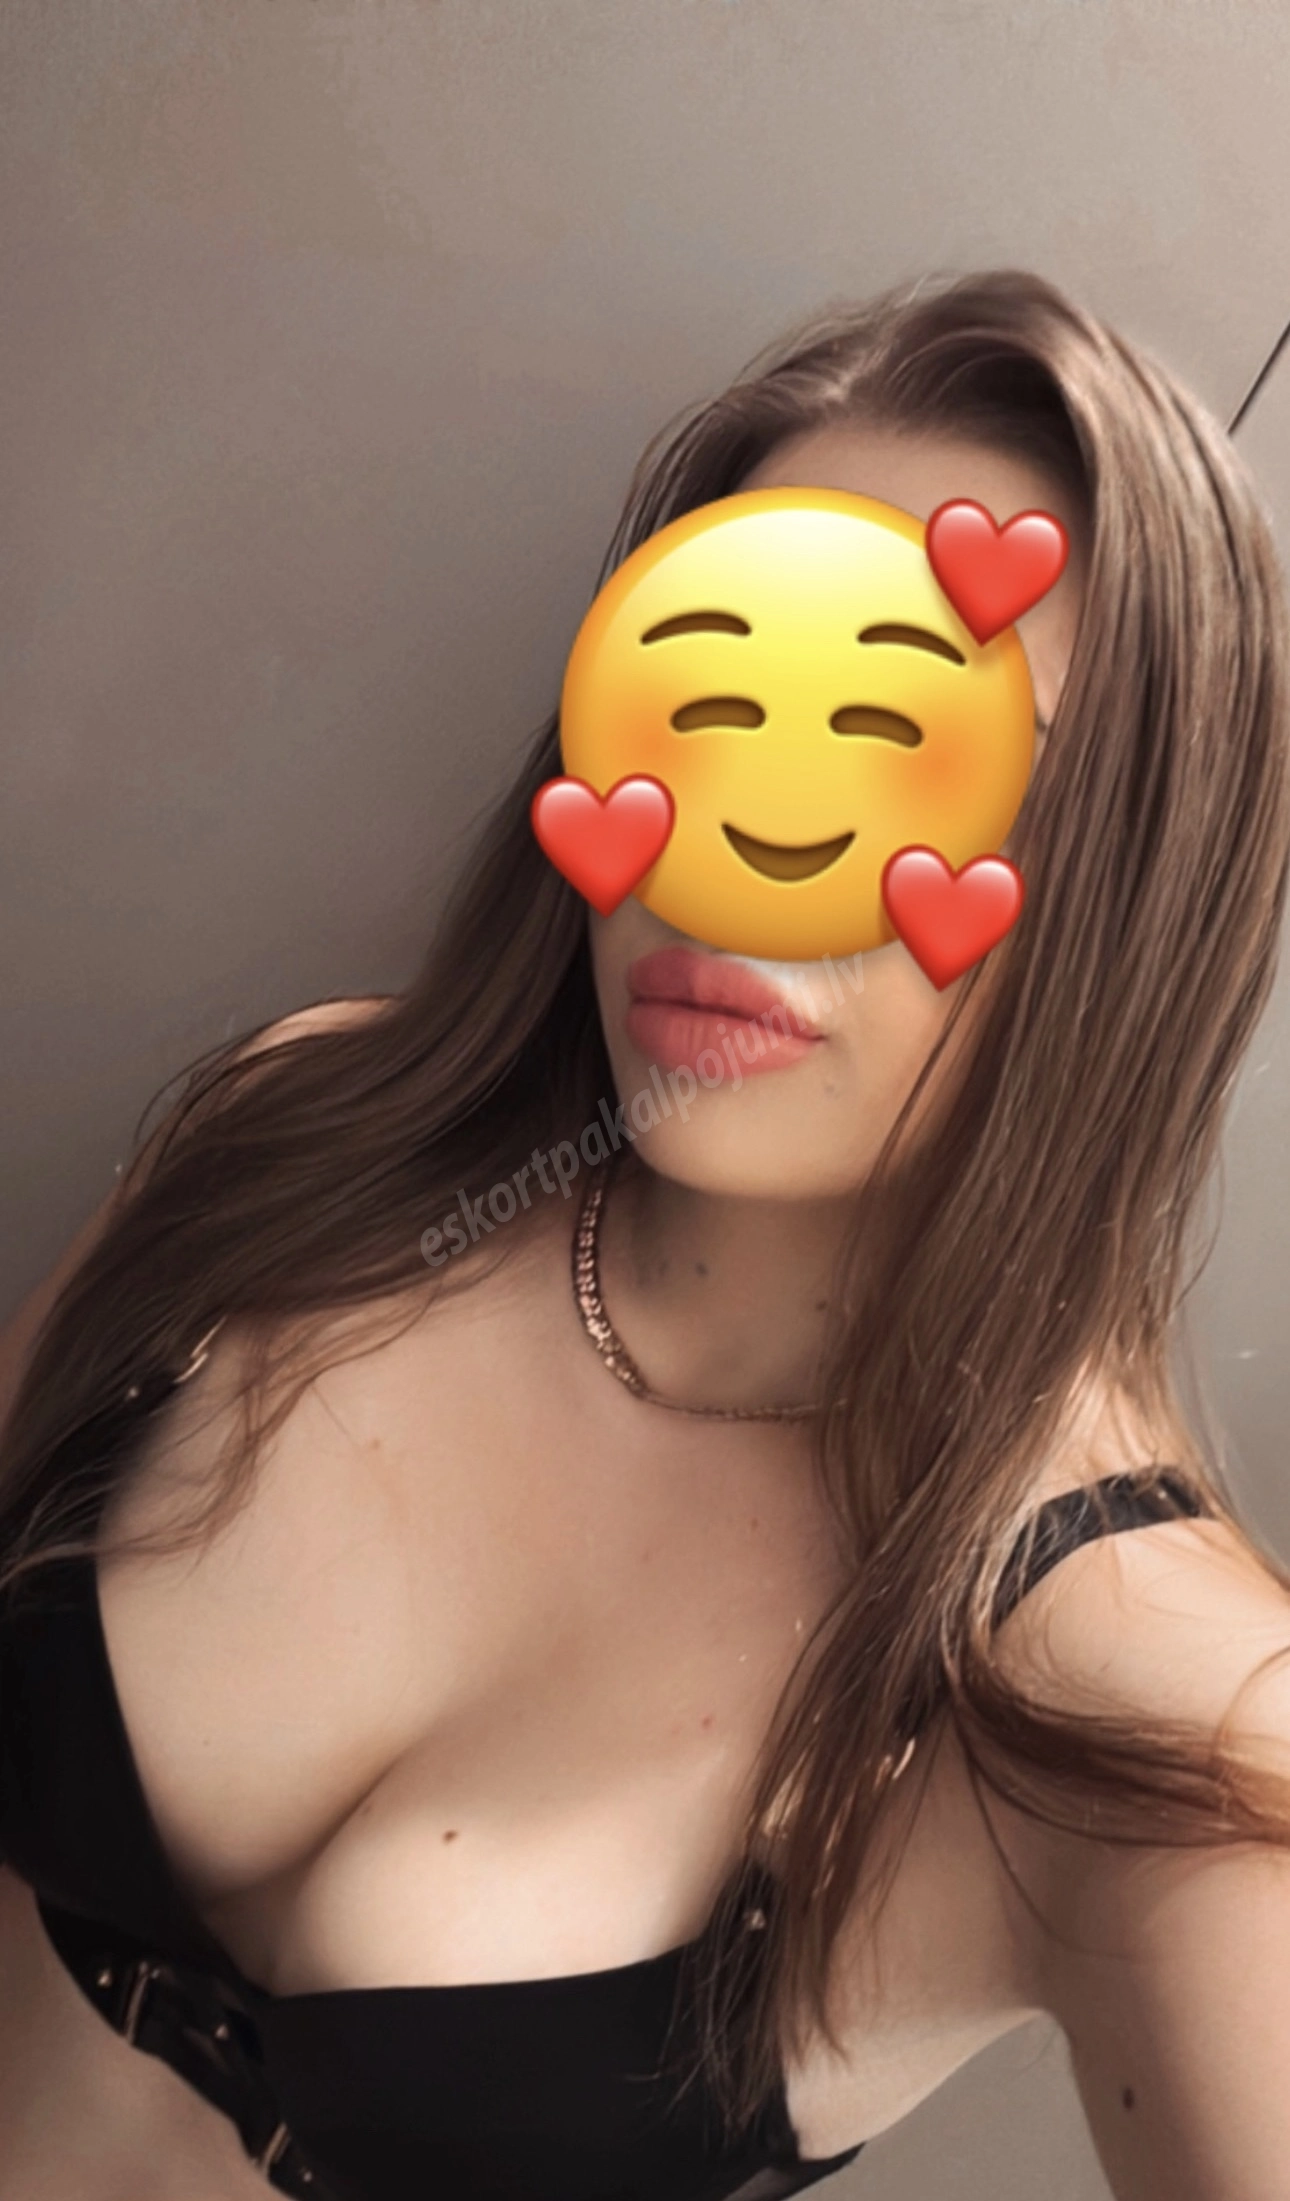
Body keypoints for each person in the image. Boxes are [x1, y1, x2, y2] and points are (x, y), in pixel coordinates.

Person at [2, 267, 1290, 2201]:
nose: (743, 859)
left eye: (917, 747)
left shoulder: (1132, 1697)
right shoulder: (298, 1140)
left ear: (1134, 905)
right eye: (704, 695)